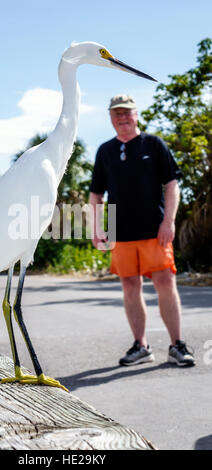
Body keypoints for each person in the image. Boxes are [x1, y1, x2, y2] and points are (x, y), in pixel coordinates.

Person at [89, 94, 195, 367]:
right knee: (130, 286)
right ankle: (141, 346)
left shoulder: (154, 144)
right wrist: (97, 228)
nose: (122, 117)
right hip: (120, 234)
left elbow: (172, 185)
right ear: (110, 118)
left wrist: (169, 221)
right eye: (116, 114)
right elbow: (96, 195)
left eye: (127, 112)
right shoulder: (105, 151)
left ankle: (177, 345)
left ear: (136, 114)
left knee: (164, 282)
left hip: (155, 231)